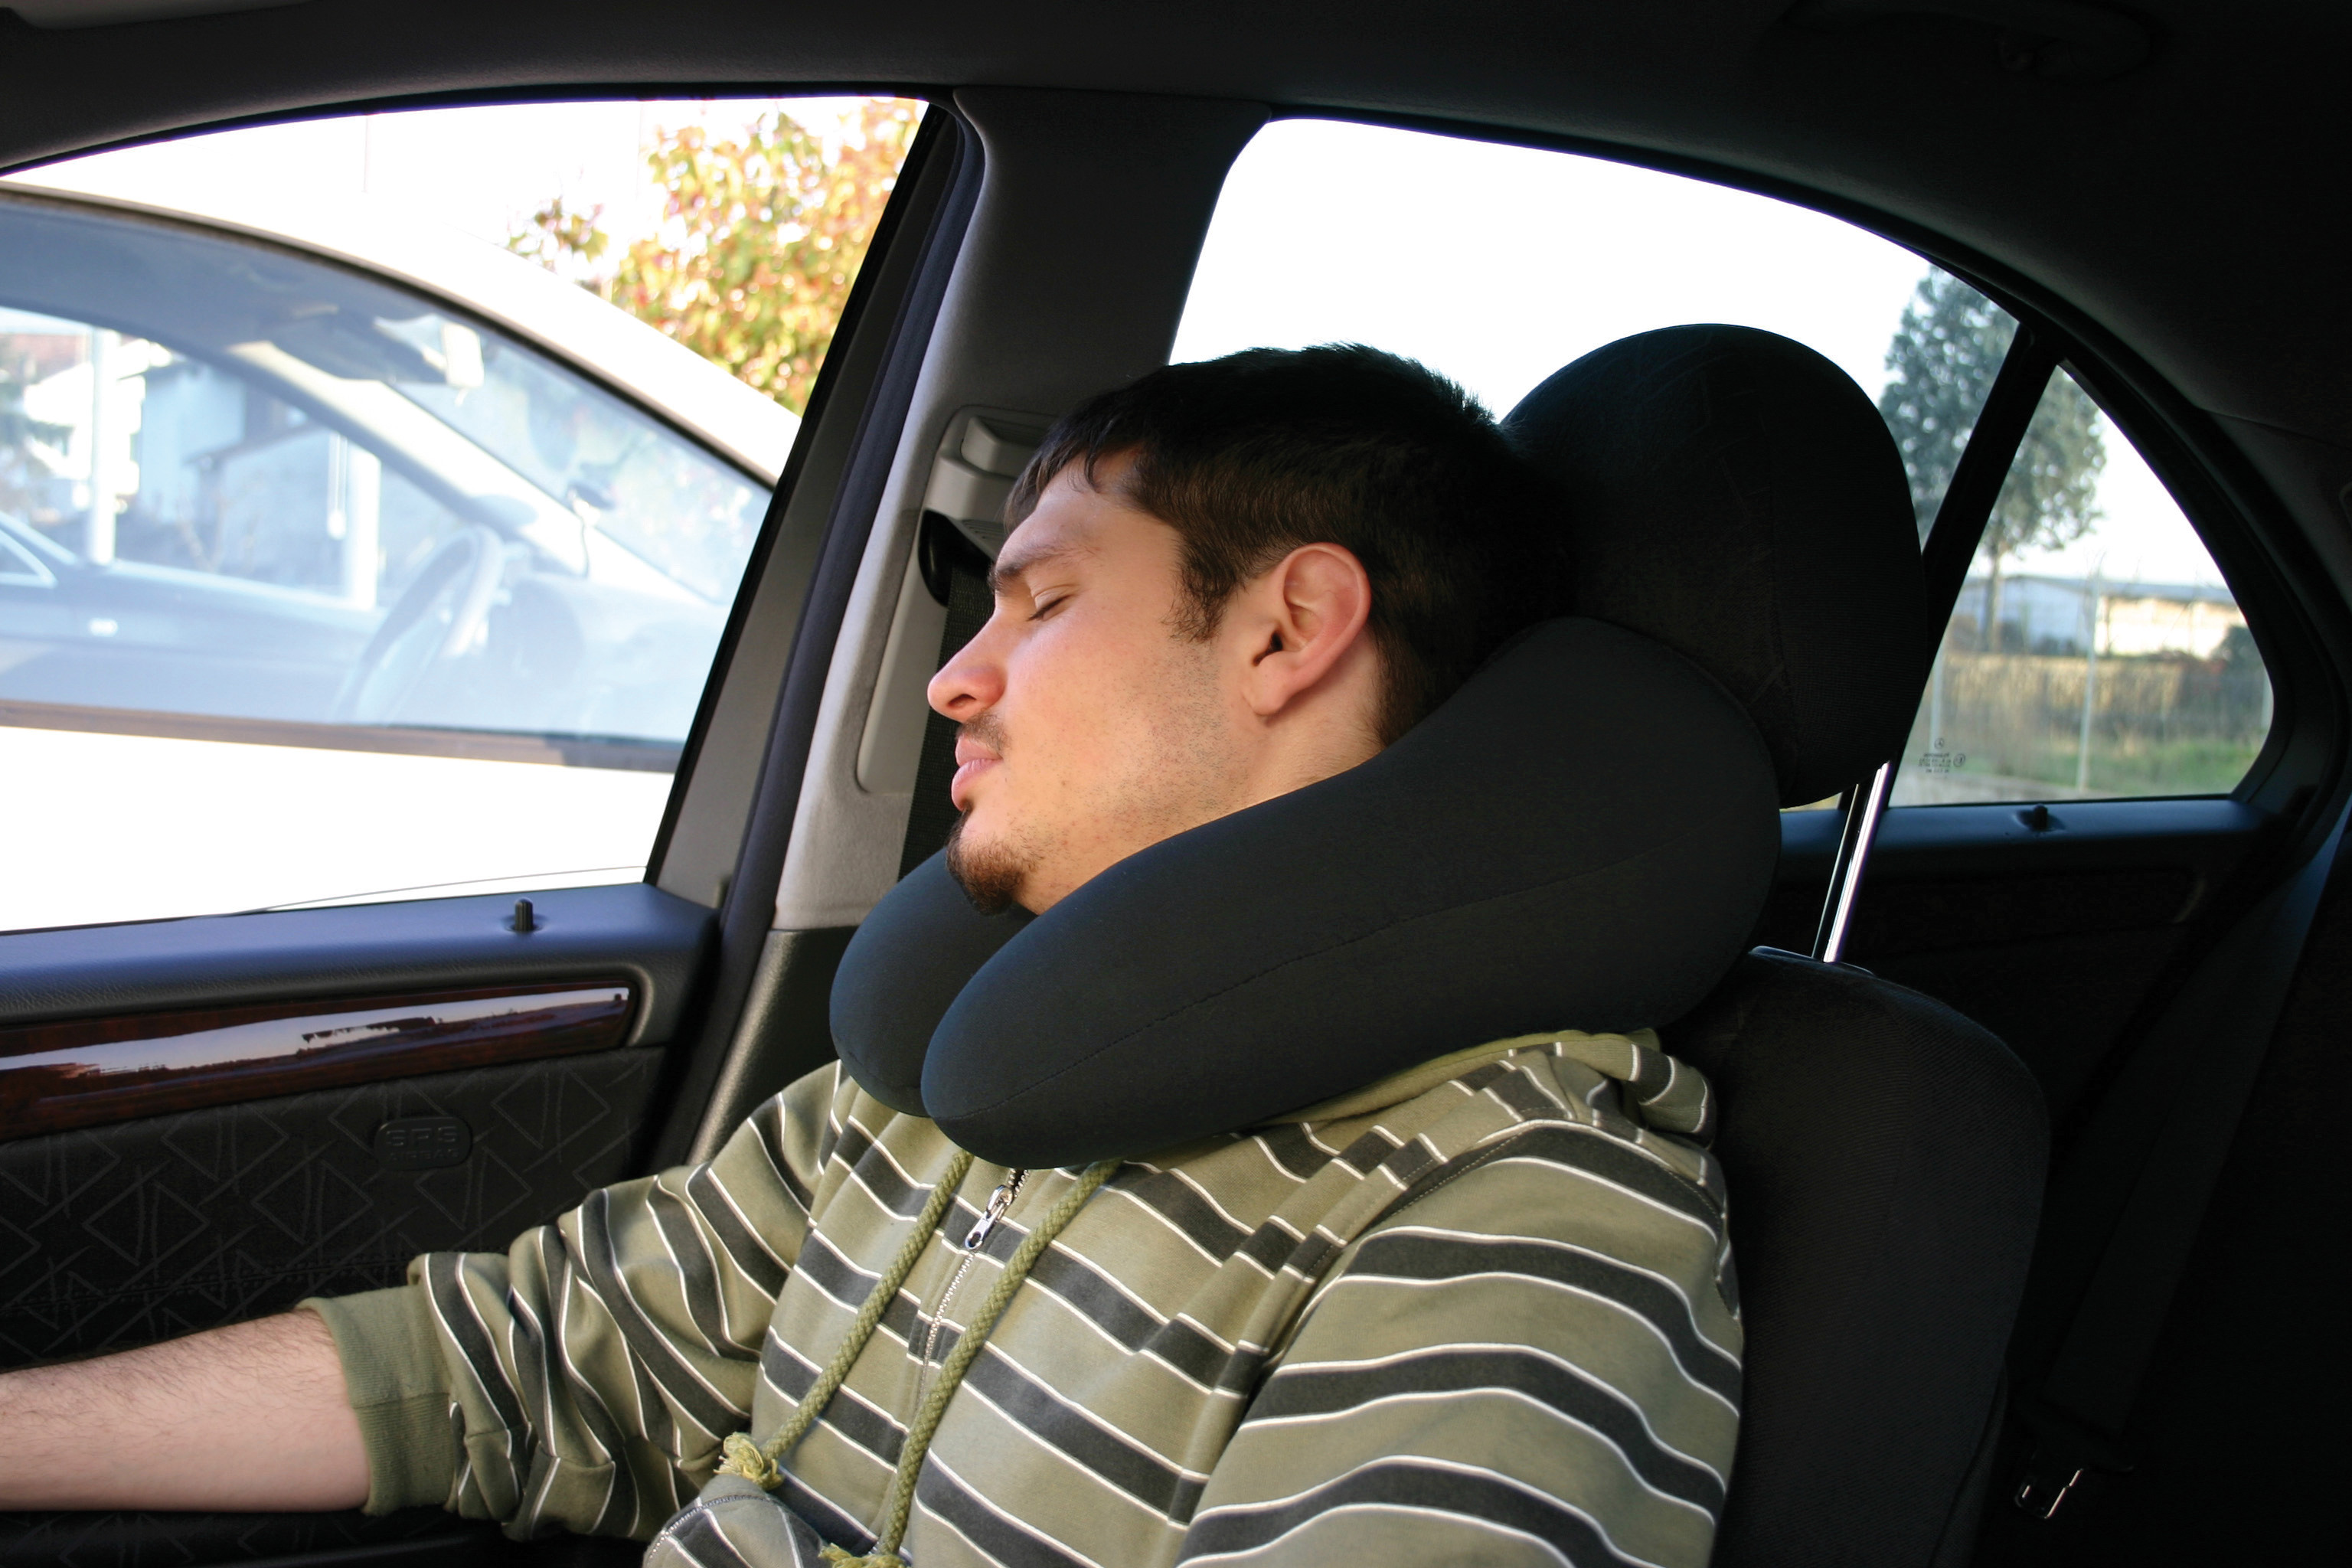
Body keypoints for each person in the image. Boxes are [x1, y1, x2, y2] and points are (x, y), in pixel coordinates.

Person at [0, 346, 1740, 1567]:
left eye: (1042, 602)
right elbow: (535, 1364)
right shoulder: (966, 1056)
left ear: (1290, 627)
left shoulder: (1520, 1212)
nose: (951, 678)